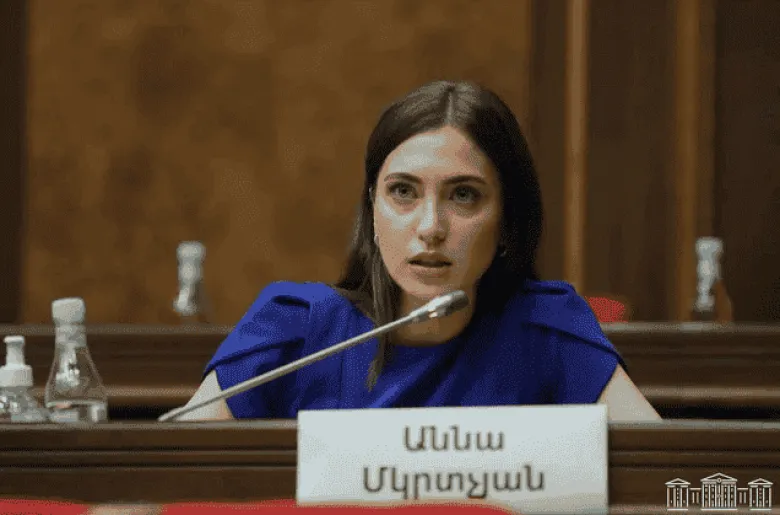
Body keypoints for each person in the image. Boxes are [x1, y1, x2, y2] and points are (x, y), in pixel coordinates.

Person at [171, 80, 661, 423]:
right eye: (403, 192)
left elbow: (664, 475)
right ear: (373, 209)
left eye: (463, 195)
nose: (430, 228)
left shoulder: (546, 330)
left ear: (508, 217)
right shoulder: (295, 330)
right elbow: (170, 473)